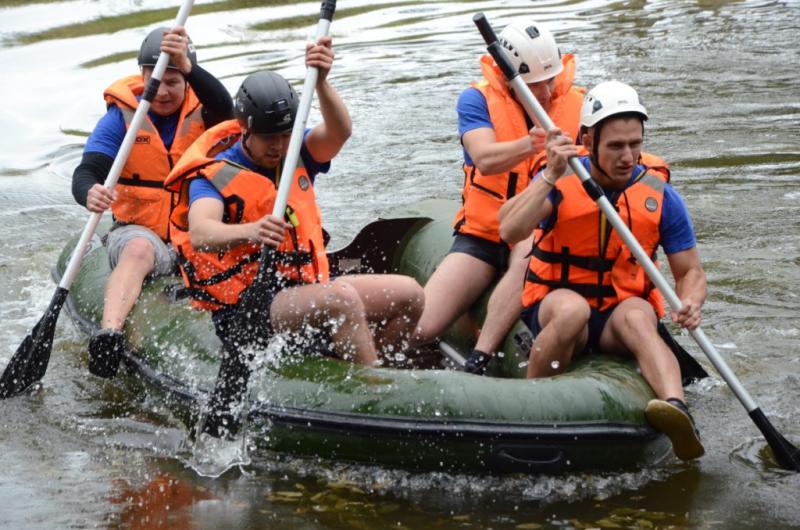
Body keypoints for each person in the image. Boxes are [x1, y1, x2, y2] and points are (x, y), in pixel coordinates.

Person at [164, 36, 424, 369]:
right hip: (250, 305)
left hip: (304, 285)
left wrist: (323, 82)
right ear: (245, 130)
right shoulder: (214, 176)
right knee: (342, 301)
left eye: (286, 135)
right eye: (269, 138)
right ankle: (373, 385)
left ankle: (377, 374)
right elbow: (201, 232)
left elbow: (340, 131)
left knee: (411, 295)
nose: (279, 146)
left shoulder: (297, 153)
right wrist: (252, 230)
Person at [498, 80, 706, 461]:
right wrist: (548, 176)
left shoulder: (659, 194)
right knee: (571, 310)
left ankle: (676, 409)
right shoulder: (561, 180)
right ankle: (532, 406)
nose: (628, 156)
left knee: (641, 314)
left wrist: (690, 301)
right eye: (615, 146)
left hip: (617, 316)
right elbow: (510, 230)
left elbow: (690, 270)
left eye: (635, 144)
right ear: (589, 141)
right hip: (558, 307)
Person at [411, 19, 585, 372]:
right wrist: (533, 143)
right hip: (484, 234)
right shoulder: (476, 99)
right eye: (537, 87)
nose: (548, 93)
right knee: (423, 325)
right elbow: (485, 159)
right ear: (510, 79)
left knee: (526, 249)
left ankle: (481, 356)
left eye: (551, 81)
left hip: (539, 231)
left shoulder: (580, 105)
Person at [71, 26, 233, 378]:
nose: (162, 91)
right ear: (142, 75)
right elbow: (87, 170)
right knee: (139, 250)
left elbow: (226, 108)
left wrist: (187, 65)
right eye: (155, 80)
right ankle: (110, 334)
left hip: (196, 235)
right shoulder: (122, 119)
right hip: (139, 232)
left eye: (173, 82)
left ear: (187, 81)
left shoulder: (206, 112)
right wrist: (90, 192)